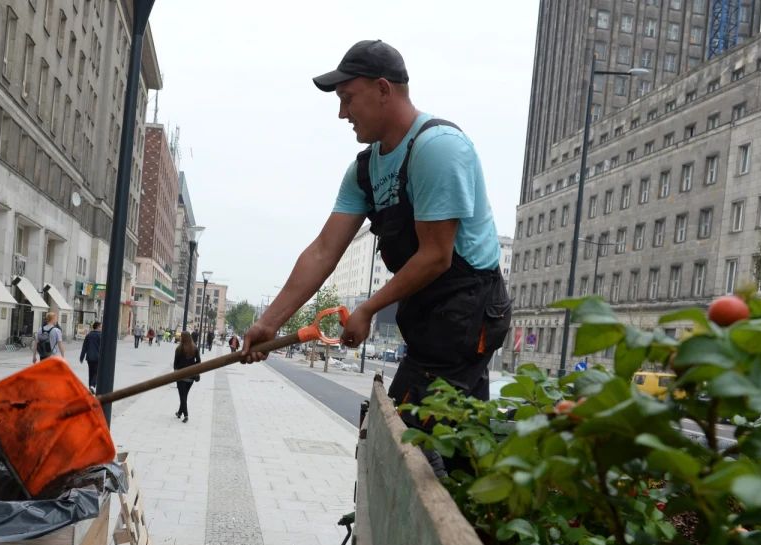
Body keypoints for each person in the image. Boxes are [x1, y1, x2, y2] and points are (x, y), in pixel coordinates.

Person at [241, 41, 510, 477]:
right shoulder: (365, 170)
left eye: (348, 99)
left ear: (383, 90)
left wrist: (367, 308)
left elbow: (437, 257)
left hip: (468, 310)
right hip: (428, 313)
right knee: (462, 447)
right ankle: (476, 534)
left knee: (399, 442)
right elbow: (324, 250)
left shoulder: (439, 148)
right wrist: (270, 321)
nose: (342, 113)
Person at [173, 331, 201, 423]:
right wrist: (192, 366)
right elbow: (199, 361)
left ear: (182, 338)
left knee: (183, 396)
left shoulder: (179, 349)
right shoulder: (194, 348)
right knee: (184, 395)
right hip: (191, 376)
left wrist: (176, 372)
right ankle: (180, 412)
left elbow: (175, 364)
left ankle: (186, 415)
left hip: (180, 375)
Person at [79, 321, 103, 393]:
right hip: (98, 357)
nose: (102, 328)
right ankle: (92, 385)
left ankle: (90, 387)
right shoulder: (101, 335)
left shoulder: (88, 335)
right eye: (101, 326)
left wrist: (81, 357)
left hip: (89, 357)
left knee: (91, 372)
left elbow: (84, 347)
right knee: (96, 372)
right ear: (98, 327)